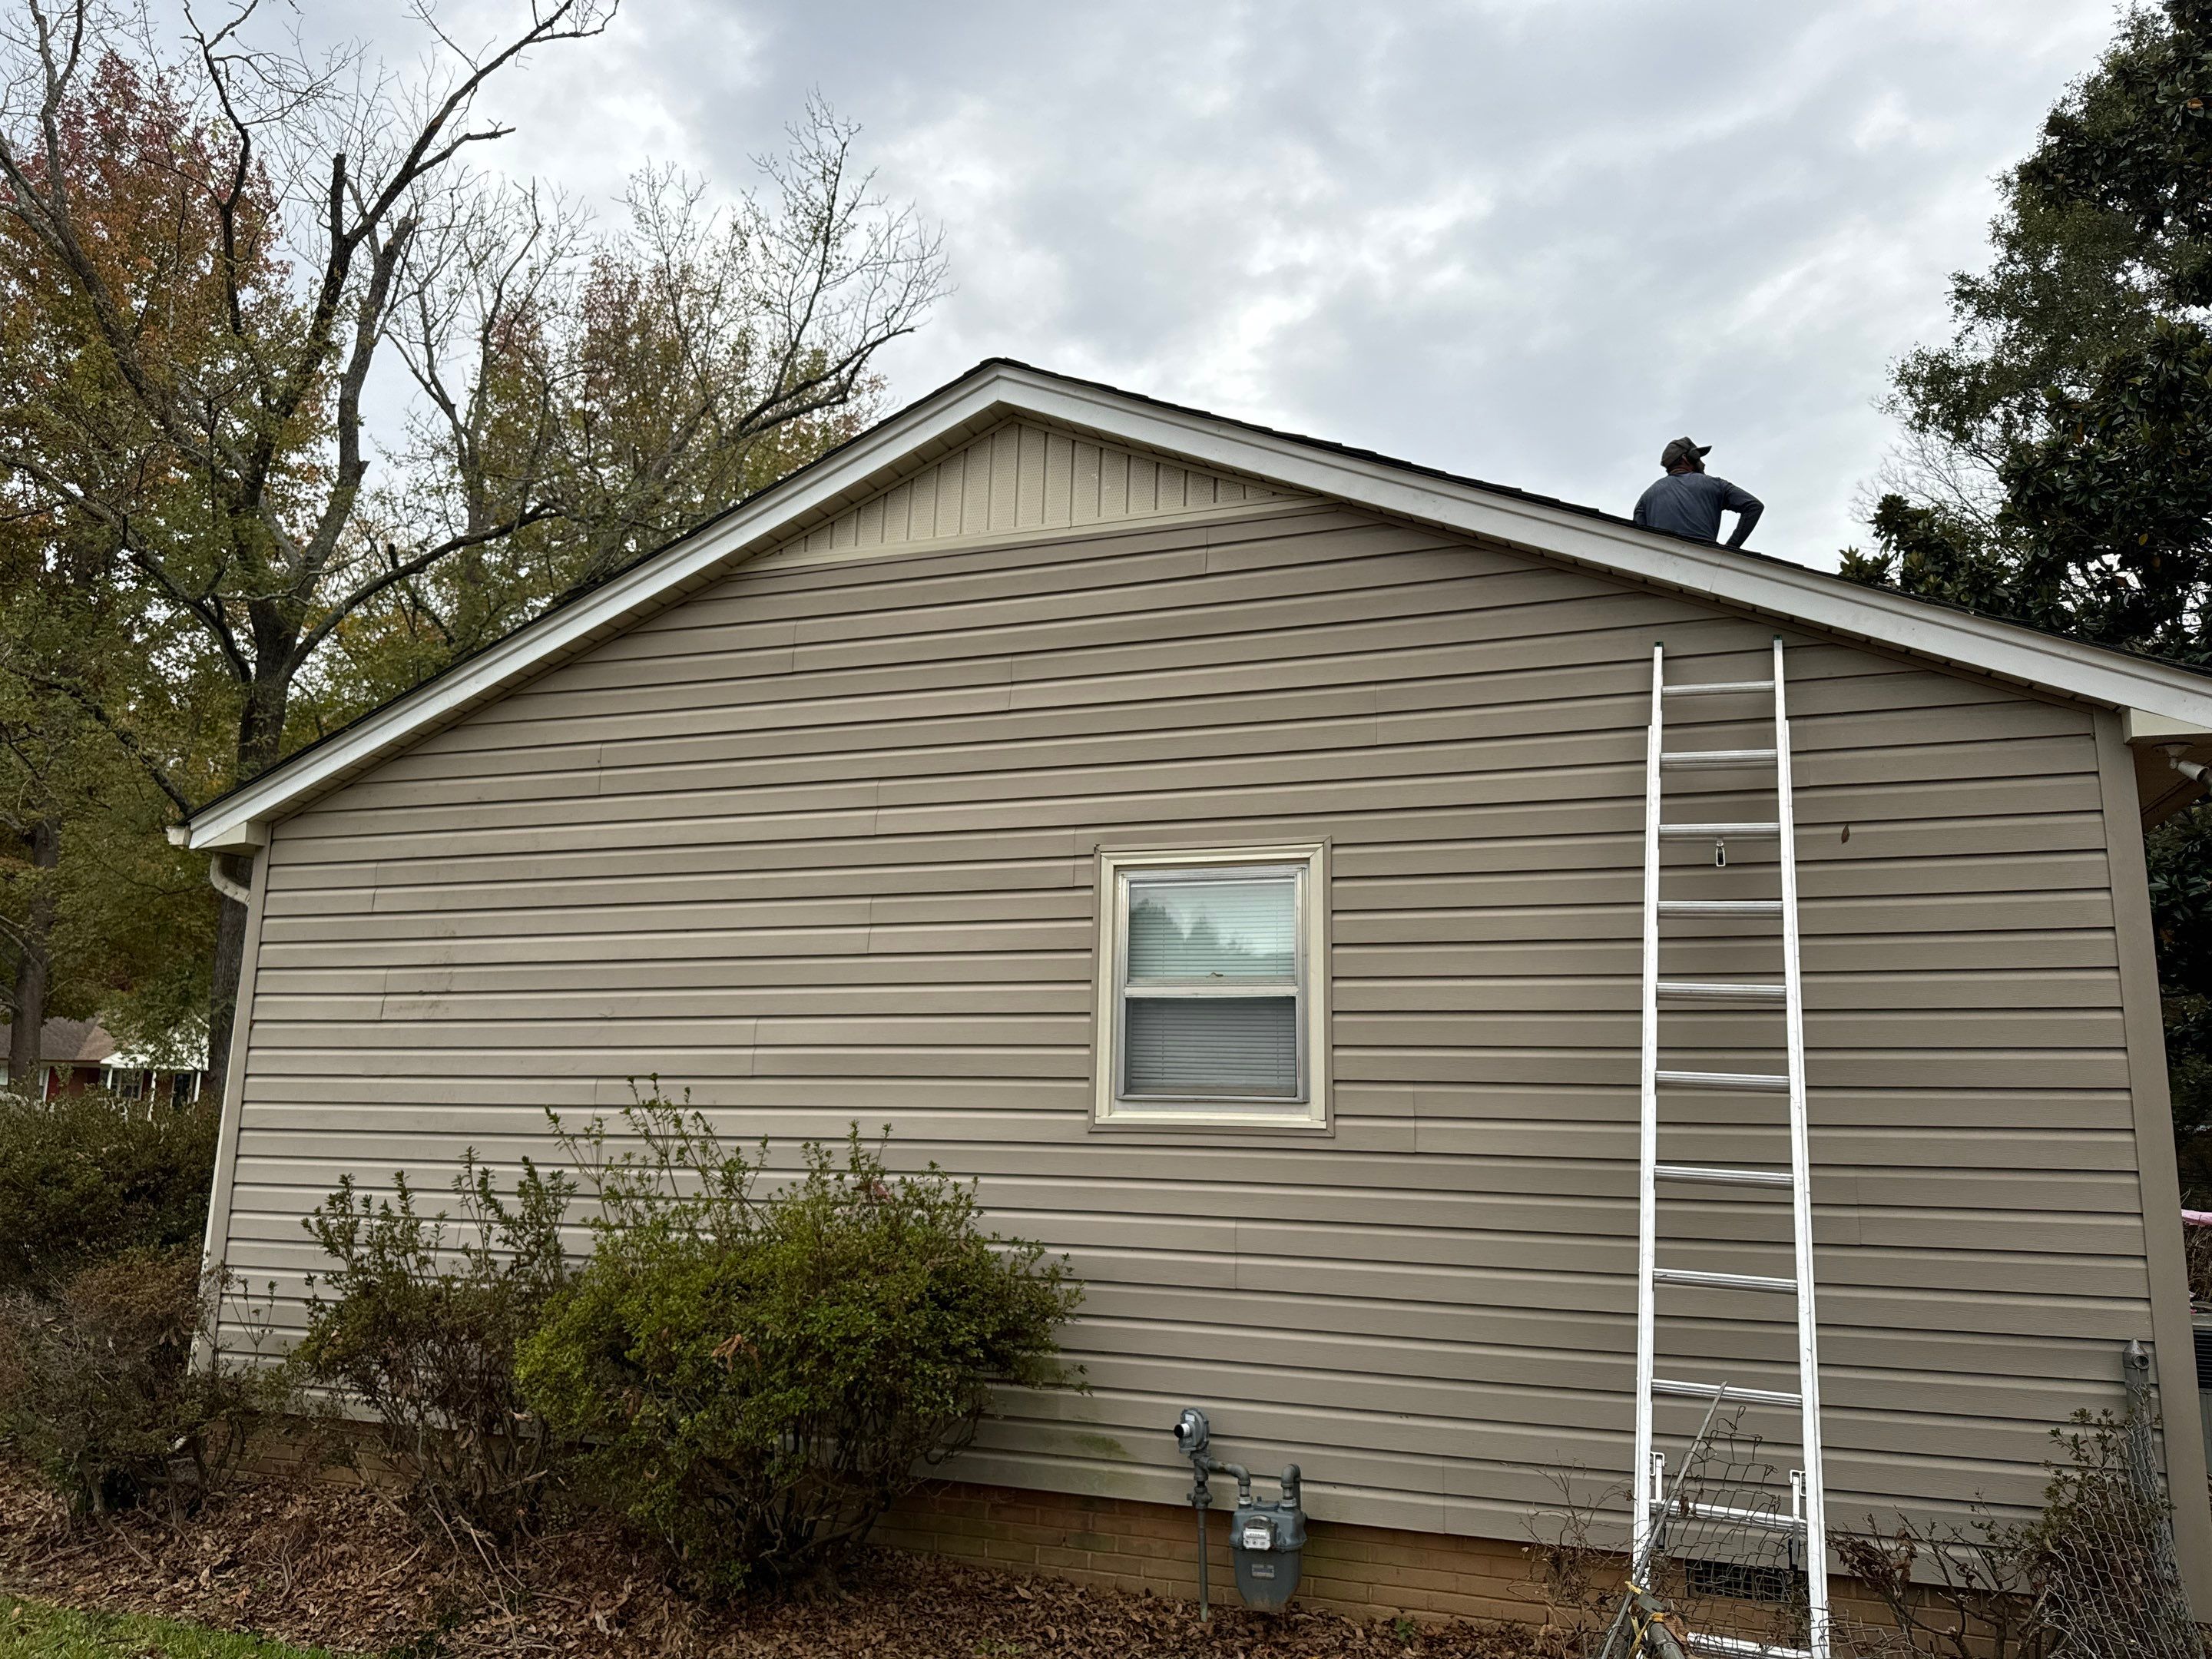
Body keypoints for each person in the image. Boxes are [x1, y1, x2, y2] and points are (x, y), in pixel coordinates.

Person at [1633, 438, 1763, 549]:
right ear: (1687, 458)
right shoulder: (1715, 485)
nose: (1703, 463)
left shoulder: (1646, 497)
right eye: (1699, 458)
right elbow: (1754, 506)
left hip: (1658, 567)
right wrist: (1729, 550)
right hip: (1704, 566)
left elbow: (1638, 541)